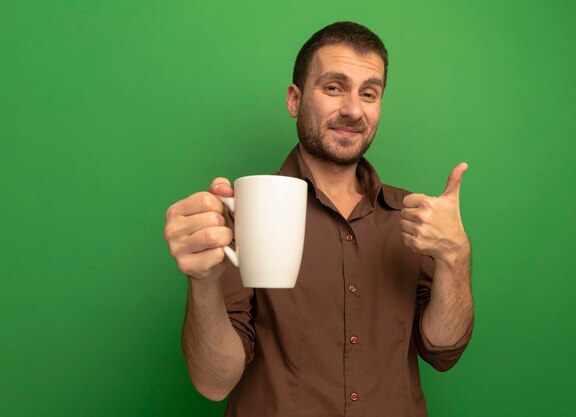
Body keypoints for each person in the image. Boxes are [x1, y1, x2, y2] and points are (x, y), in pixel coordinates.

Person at [164, 21, 474, 417]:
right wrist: (204, 282)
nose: (352, 109)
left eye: (369, 93)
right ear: (294, 99)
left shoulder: (413, 217)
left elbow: (443, 351)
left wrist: (456, 256)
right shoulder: (241, 213)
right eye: (333, 87)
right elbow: (213, 382)